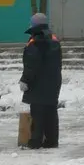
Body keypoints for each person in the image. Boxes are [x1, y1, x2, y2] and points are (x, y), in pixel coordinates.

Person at [21, 13, 62, 149]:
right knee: (51, 112)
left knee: (37, 112)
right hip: (53, 82)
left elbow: (32, 65)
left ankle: (35, 141)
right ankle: (51, 141)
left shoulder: (36, 42)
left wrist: (25, 80)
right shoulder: (54, 40)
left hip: (38, 83)